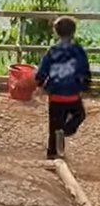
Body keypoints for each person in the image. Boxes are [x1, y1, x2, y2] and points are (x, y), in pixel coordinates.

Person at [35, 16, 91, 159]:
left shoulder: (52, 51)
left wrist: (40, 85)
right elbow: (85, 71)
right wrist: (84, 87)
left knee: (54, 125)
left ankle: (53, 154)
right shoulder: (78, 51)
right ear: (73, 32)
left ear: (56, 33)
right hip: (72, 94)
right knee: (79, 115)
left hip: (55, 96)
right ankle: (65, 131)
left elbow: (42, 72)